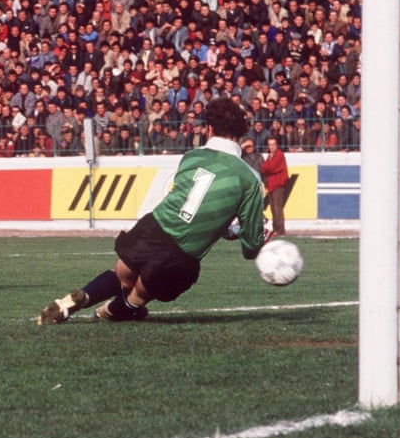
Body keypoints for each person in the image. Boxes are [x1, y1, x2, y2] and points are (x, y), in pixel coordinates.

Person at [37, 97, 268, 324]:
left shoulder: (192, 157)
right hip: (182, 254)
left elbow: (190, 202)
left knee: (121, 275)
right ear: (241, 134)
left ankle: (83, 296)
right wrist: (243, 235)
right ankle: (108, 311)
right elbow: (250, 245)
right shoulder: (249, 178)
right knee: (138, 295)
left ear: (210, 129)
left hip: (153, 227)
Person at [261, 136, 289, 237]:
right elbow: (265, 168)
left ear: (277, 145)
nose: (272, 146)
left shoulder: (279, 155)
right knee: (273, 208)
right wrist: (265, 168)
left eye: (273, 144)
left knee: (277, 208)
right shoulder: (270, 155)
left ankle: (280, 229)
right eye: (270, 144)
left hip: (278, 184)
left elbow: (269, 168)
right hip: (272, 184)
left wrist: (265, 168)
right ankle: (276, 228)